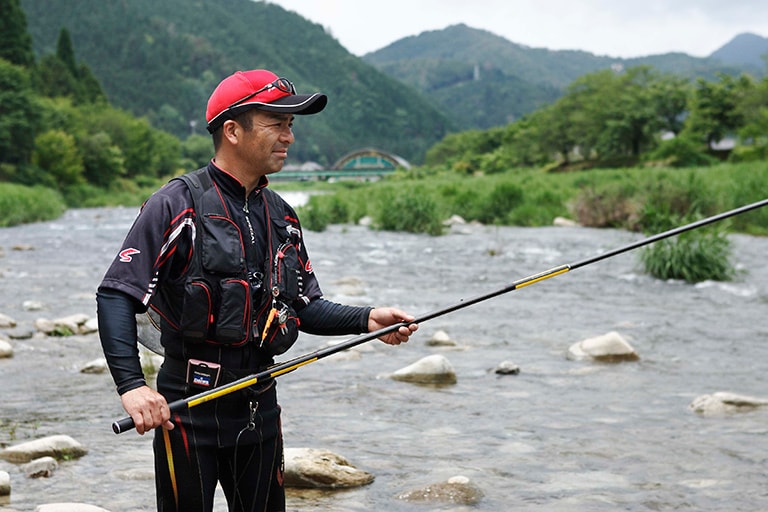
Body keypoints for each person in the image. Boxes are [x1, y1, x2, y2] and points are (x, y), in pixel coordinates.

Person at [96, 69, 418, 512]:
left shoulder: (283, 216)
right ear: (232, 130)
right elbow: (117, 292)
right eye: (277, 123)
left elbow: (305, 307)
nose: (288, 137)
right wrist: (132, 387)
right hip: (187, 411)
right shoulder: (176, 203)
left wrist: (367, 318)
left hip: (260, 406)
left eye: (291, 125)